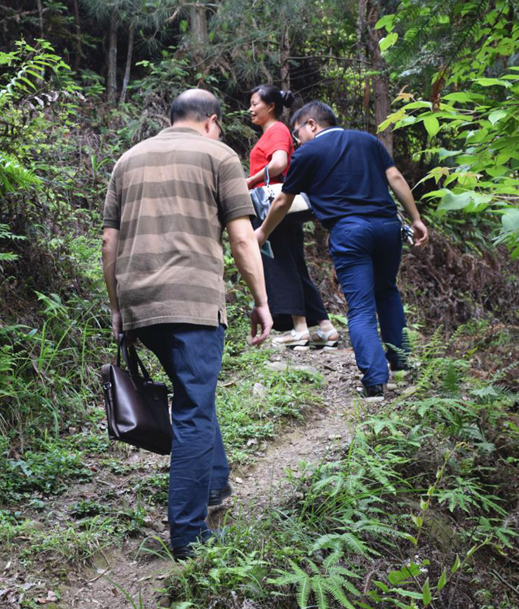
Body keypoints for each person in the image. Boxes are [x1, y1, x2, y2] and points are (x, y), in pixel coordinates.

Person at [102, 89, 272, 559]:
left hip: (139, 302)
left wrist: (117, 308)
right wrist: (261, 300)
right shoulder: (220, 156)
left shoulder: (128, 159)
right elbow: (241, 237)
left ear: (171, 117)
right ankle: (188, 536)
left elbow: (109, 242)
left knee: (193, 391)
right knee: (195, 409)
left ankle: (215, 485)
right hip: (193, 303)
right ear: (211, 121)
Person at [255, 100, 429, 401]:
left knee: (361, 305)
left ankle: (375, 382)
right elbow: (396, 178)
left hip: (350, 232)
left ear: (312, 125)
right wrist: (415, 218)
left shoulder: (309, 152)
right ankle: (401, 366)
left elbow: (282, 201)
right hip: (388, 227)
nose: (297, 142)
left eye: (297, 134)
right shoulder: (368, 140)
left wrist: (262, 232)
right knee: (387, 291)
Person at [247, 84, 338, 349]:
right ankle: (325, 326)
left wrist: (249, 181)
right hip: (282, 207)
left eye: (255, 103)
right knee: (295, 265)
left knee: (280, 264)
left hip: (272, 207)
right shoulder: (276, 131)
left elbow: (279, 163)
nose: (250, 109)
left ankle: (299, 329)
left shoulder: (276, 129)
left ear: (271, 106)